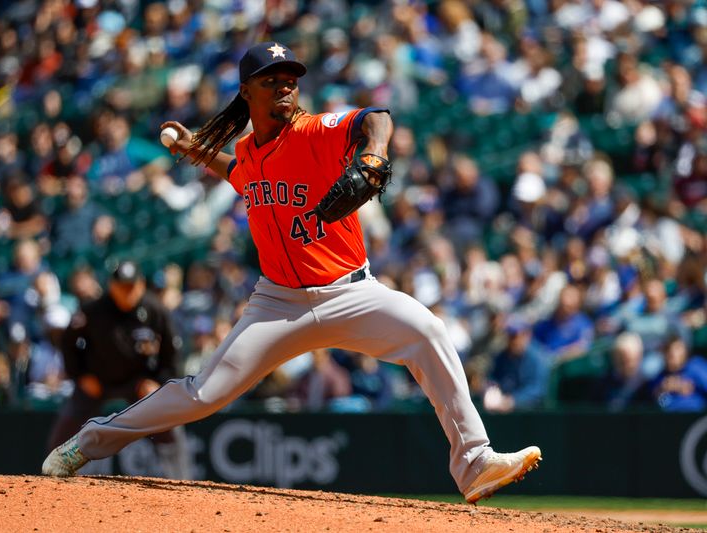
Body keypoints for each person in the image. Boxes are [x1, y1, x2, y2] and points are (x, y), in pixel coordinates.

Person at [43, 41, 541, 503]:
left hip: (351, 292)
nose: (284, 86)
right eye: (271, 79)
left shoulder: (312, 131)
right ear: (246, 91)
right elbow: (237, 170)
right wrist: (192, 149)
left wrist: (375, 152)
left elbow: (377, 117)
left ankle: (474, 461)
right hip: (277, 303)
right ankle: (89, 440)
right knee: (201, 394)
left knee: (429, 331)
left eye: (290, 79)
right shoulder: (248, 153)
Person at [45, 261, 189, 479]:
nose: (127, 292)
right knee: (68, 422)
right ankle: (51, 472)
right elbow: (68, 342)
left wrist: (160, 382)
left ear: (141, 285)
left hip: (139, 383)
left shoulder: (155, 310)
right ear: (111, 286)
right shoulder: (93, 310)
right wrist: (81, 376)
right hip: (99, 381)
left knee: (167, 419)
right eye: (122, 286)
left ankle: (180, 477)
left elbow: (172, 354)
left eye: (132, 286)